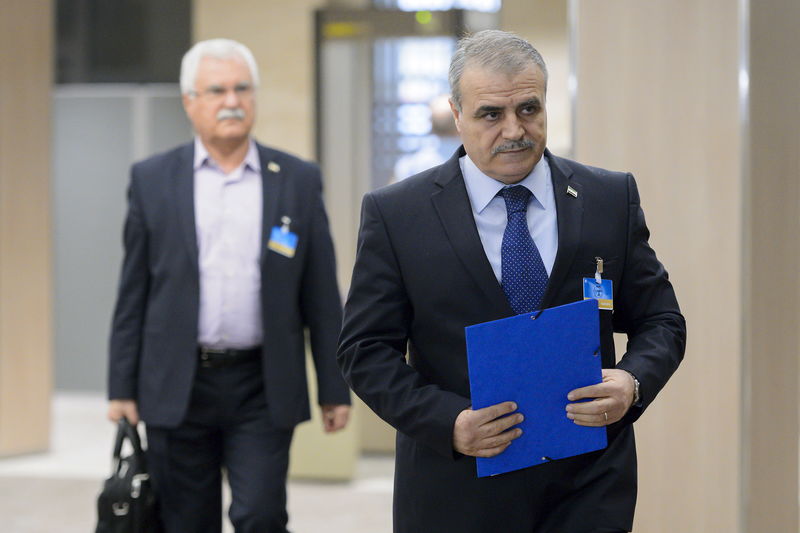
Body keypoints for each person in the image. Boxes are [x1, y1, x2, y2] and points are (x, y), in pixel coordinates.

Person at [338, 30, 685, 533]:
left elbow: (662, 321)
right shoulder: (397, 215)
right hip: (457, 488)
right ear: (456, 115)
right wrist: (448, 423)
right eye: (490, 114)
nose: (514, 130)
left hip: (588, 485)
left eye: (528, 108)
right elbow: (364, 350)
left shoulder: (609, 197)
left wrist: (632, 382)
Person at [107, 38, 351, 533]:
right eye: (216, 90)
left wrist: (334, 385)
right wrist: (121, 386)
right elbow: (133, 293)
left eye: (242, 88)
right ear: (189, 101)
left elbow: (321, 295)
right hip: (178, 382)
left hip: (261, 382)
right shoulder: (153, 179)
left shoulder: (297, 180)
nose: (232, 101)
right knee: (185, 521)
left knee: (260, 515)